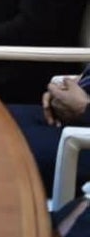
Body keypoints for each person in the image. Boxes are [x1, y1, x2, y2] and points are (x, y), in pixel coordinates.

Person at [9, 69, 90, 199]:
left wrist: (84, 108)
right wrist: (65, 90)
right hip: (66, 120)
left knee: (2, 151)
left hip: (82, 140)